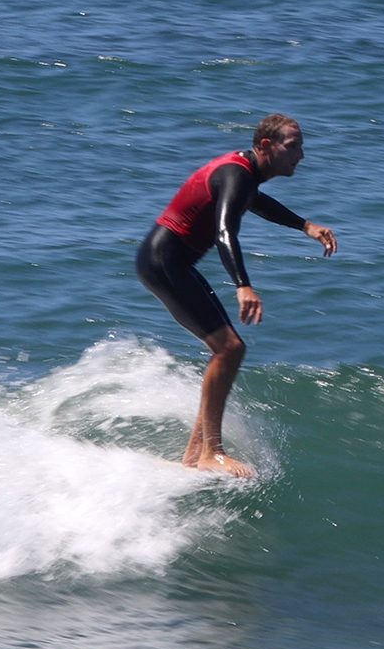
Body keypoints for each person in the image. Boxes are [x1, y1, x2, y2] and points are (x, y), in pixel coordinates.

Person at [136, 114, 337, 477]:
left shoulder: (243, 174)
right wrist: (243, 284)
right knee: (229, 348)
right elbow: (225, 230)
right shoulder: (237, 174)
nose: (302, 155)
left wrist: (306, 225)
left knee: (229, 350)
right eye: (293, 146)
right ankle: (210, 452)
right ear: (266, 146)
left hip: (167, 260)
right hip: (164, 261)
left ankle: (195, 455)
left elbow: (255, 202)